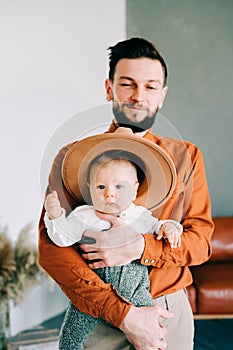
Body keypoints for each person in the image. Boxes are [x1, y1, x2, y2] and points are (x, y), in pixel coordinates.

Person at [38, 37, 214, 350]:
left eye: (150, 86)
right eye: (127, 84)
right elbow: (53, 252)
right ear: (109, 89)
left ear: (162, 95)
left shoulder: (188, 157)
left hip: (167, 310)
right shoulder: (71, 159)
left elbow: (200, 244)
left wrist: (140, 248)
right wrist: (122, 314)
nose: (138, 96)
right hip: (96, 311)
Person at [44, 150, 183, 349]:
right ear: (89, 189)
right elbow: (62, 238)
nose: (109, 193)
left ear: (134, 190)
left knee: (153, 332)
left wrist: (169, 227)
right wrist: (56, 216)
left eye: (119, 186)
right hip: (95, 291)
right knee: (70, 335)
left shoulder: (139, 215)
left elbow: (157, 226)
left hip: (135, 288)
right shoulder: (84, 216)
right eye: (101, 187)